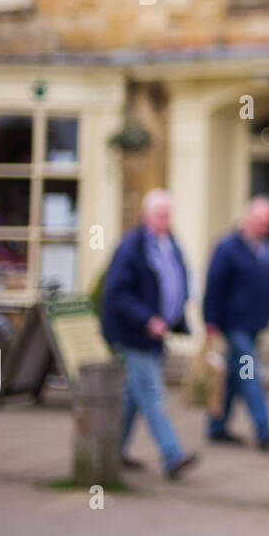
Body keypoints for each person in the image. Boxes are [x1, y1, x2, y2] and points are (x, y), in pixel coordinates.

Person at [100, 189, 197, 479]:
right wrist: (147, 319)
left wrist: (176, 316)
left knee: (133, 396)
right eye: (160, 215)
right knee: (152, 394)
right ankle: (172, 454)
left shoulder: (170, 244)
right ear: (146, 216)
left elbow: (178, 279)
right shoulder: (131, 247)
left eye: (168, 215)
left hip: (157, 334)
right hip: (132, 335)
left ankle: (112, 452)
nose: (165, 220)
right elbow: (117, 293)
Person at [202, 197, 269, 450]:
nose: (264, 227)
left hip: (255, 325)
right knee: (250, 374)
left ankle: (216, 426)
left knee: (235, 378)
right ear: (248, 219)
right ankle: (264, 429)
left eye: (268, 223)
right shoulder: (227, 248)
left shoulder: (266, 249)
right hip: (233, 325)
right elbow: (213, 286)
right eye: (260, 222)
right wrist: (210, 321)